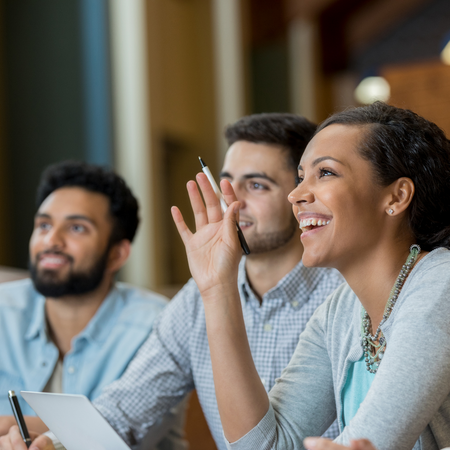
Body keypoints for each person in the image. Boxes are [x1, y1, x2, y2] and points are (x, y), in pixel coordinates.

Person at [0, 113, 344, 450]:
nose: (231, 202)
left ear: (301, 194)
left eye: (256, 185)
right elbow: (122, 415)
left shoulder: (343, 296)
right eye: (224, 182)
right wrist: (49, 444)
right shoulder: (196, 299)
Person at [170, 102, 450, 450]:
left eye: (326, 173)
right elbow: (264, 446)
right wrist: (217, 287)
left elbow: (374, 443)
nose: (296, 194)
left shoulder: (441, 287)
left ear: (396, 195)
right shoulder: (340, 312)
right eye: (301, 177)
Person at [0, 161, 184, 449]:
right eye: (44, 225)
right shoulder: (4, 310)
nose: (51, 240)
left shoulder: (157, 324)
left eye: (76, 228)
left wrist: (16, 425)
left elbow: (123, 434)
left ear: (116, 255)